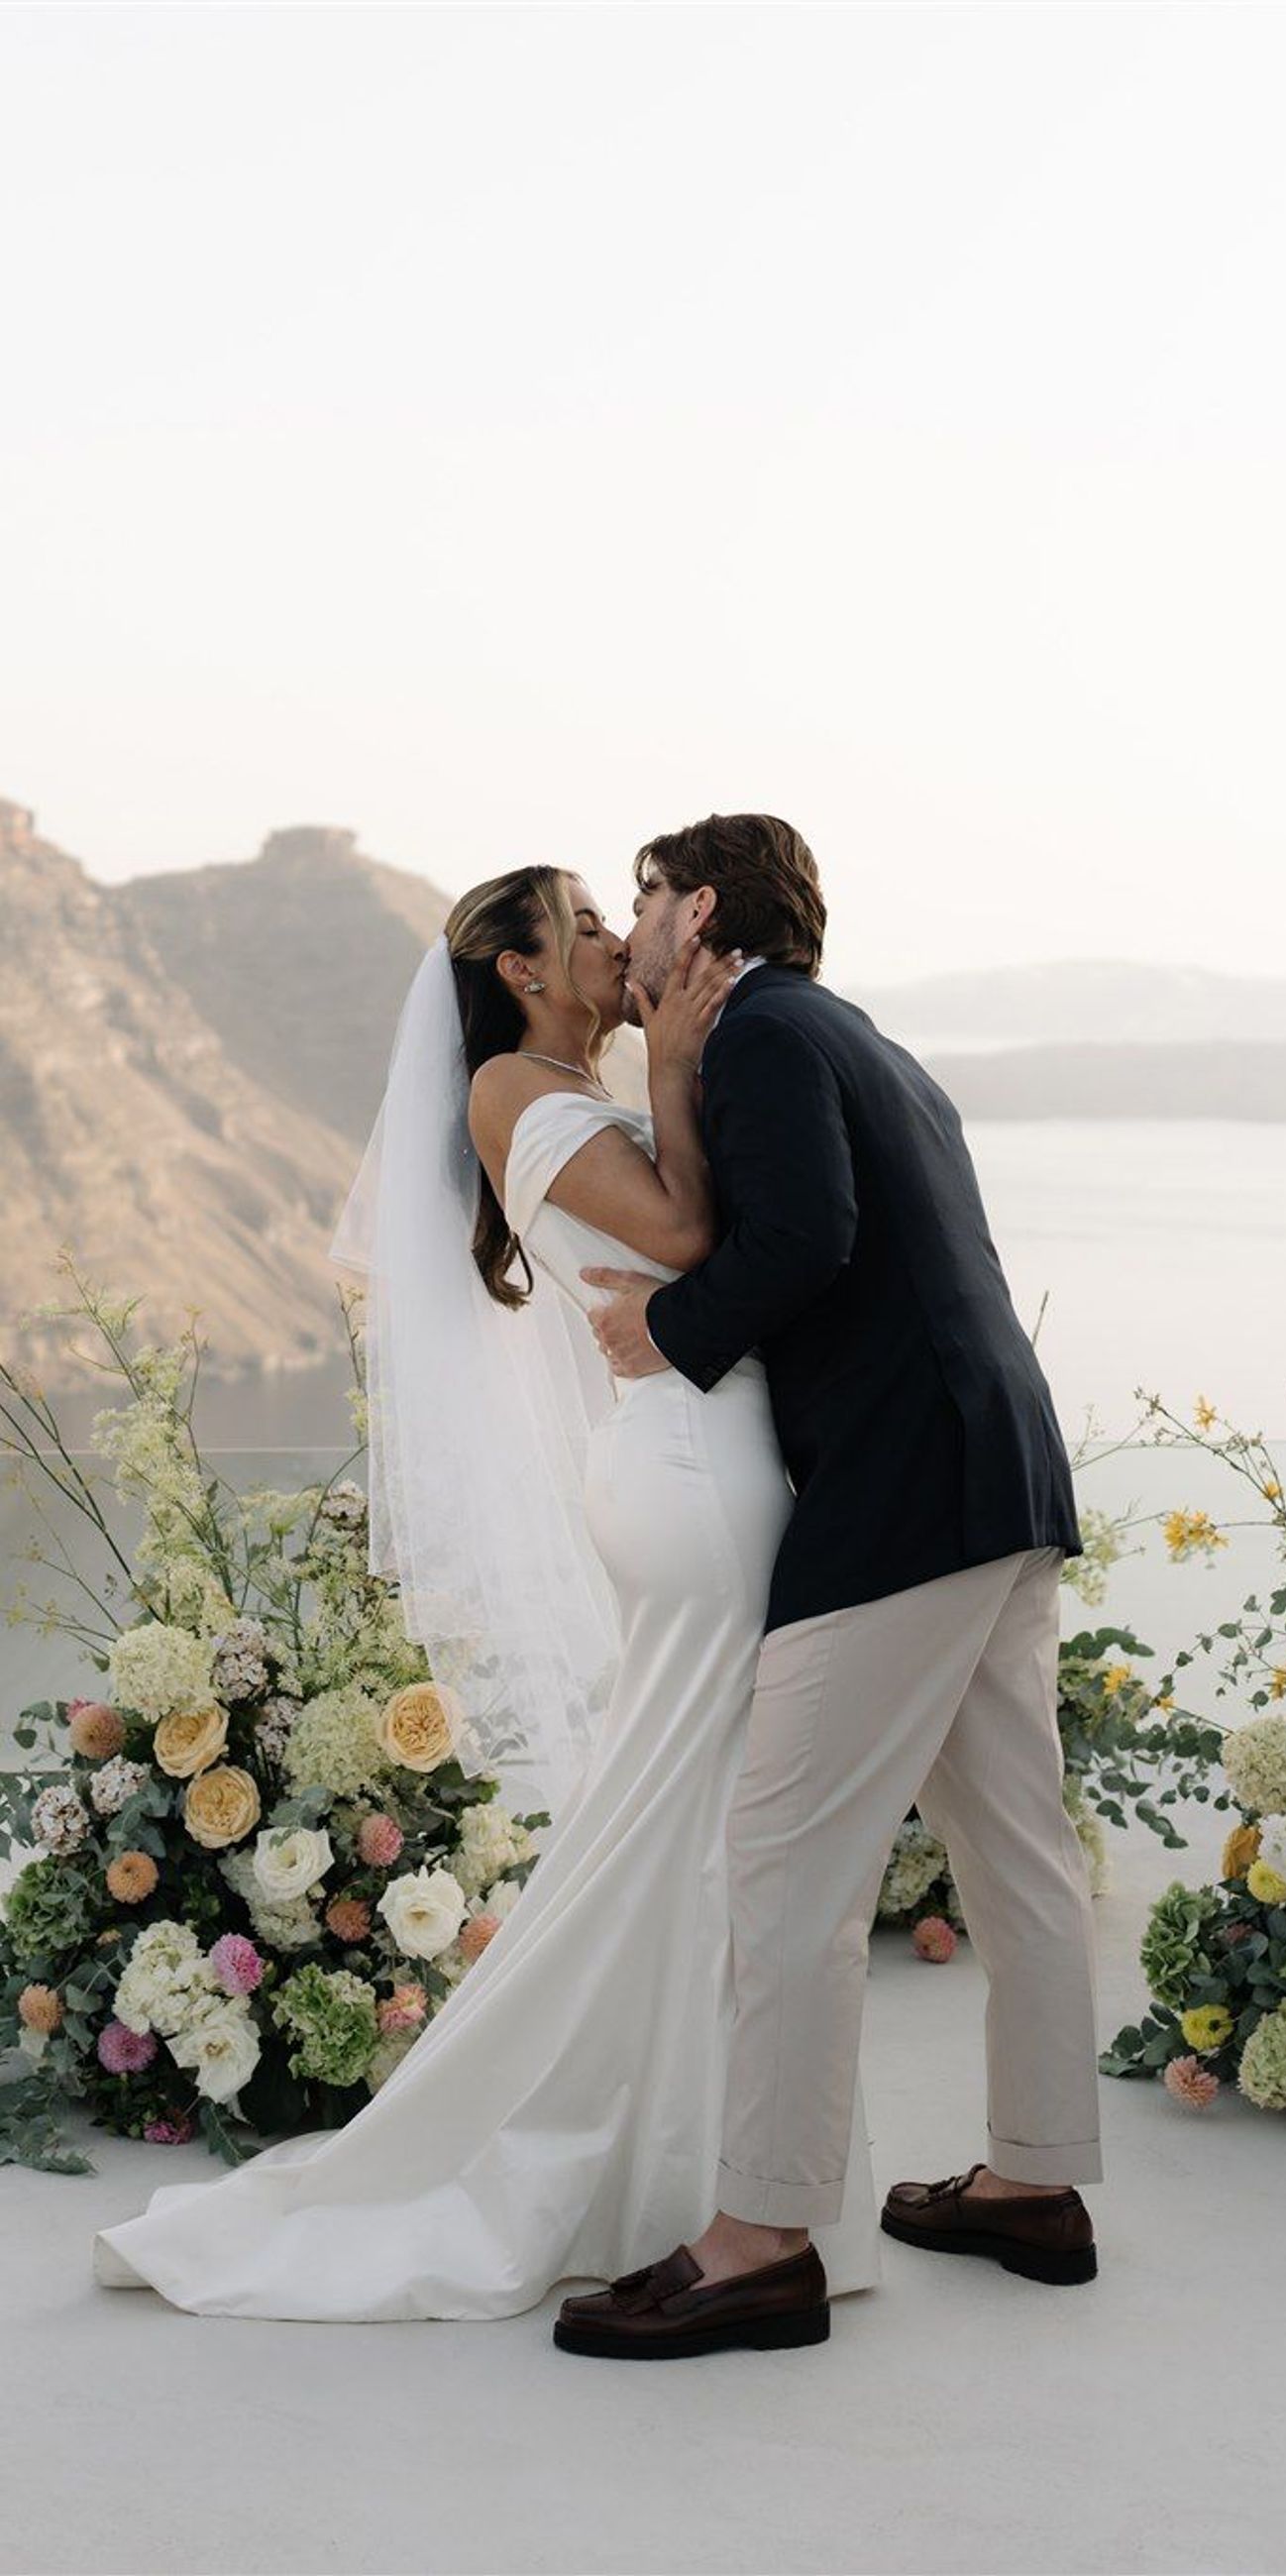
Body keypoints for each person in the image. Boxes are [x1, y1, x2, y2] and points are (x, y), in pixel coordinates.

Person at [90, 861, 881, 2322]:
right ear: (519, 968)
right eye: (579, 920)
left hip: (695, 1469)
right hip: (693, 1484)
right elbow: (692, 1240)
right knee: (688, 1836)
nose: (604, 937)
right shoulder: (517, 1091)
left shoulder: (570, 1080)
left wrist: (671, 1063)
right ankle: (673, 2185)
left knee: (692, 1830)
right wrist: (690, 1062)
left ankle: (715, 2179)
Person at [554, 811, 1102, 2364]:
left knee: (782, 1858)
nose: (637, 921)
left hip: (900, 1492)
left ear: (700, 908)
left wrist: (666, 1331)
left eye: (646, 894)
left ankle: (759, 2240)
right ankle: (1036, 2184)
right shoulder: (863, 1039)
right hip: (1001, 1468)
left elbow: (805, 1238)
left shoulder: (763, 1038)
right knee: (1017, 1848)